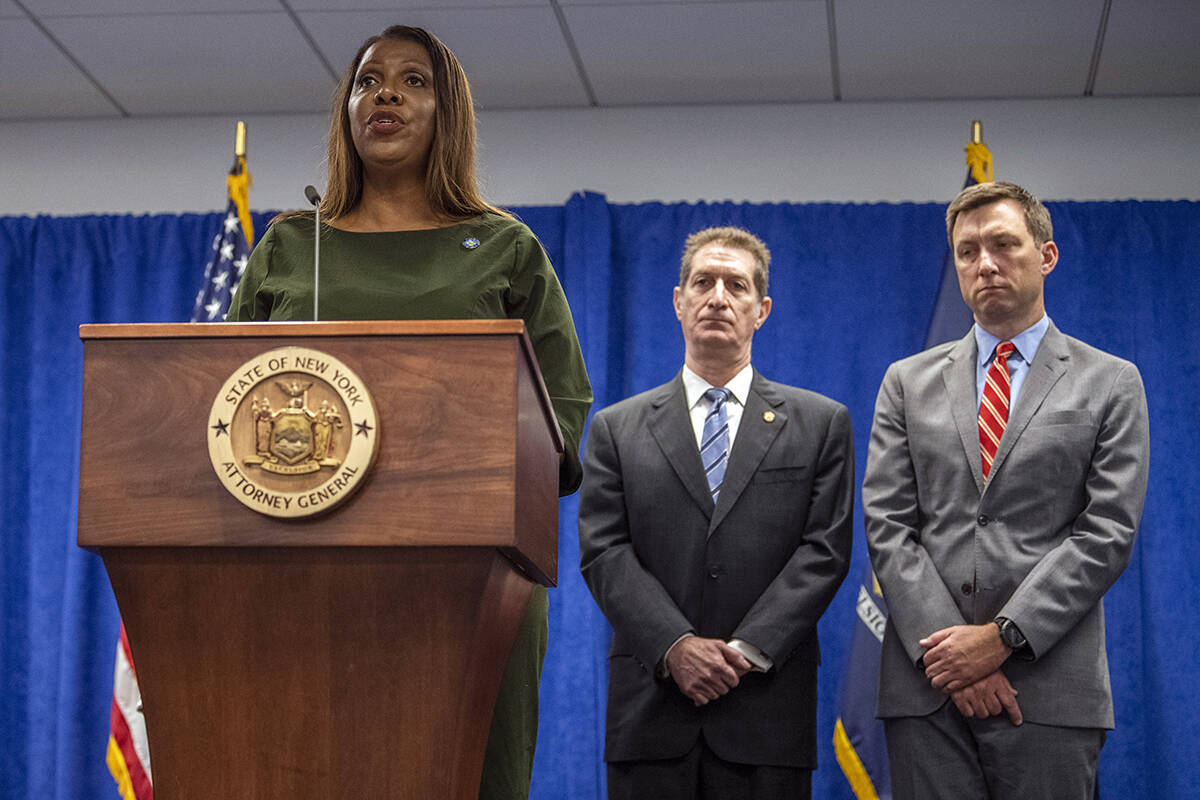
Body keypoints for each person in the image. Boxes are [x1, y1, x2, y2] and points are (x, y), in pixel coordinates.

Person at [226, 25, 592, 800]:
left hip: (470, 575)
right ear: (347, 112)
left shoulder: (503, 247)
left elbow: (560, 410)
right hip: (299, 566)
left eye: (413, 81)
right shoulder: (293, 248)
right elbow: (221, 396)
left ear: (447, 113)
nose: (385, 93)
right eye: (368, 80)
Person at [862, 182, 1149, 800]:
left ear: (1045, 255)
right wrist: (954, 658)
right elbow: (887, 526)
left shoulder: (1111, 382)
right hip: (929, 689)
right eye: (967, 252)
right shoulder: (906, 382)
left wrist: (999, 639)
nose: (984, 263)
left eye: (1002, 244)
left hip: (1048, 689)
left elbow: (1107, 534)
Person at [578, 226, 853, 799]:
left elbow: (824, 552)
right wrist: (675, 645)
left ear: (762, 310)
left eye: (737, 285)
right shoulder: (615, 429)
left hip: (766, 711)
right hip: (651, 712)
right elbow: (604, 551)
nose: (718, 297)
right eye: (703, 282)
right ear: (678, 302)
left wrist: (744, 652)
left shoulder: (821, 423)